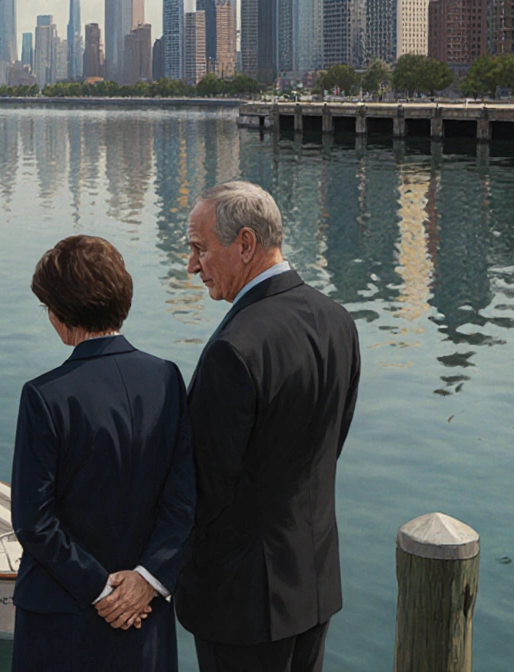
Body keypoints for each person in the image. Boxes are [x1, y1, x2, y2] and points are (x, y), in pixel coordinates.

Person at [174, 181, 361, 672]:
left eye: (199, 248)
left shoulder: (234, 349)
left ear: (245, 244)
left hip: (242, 606)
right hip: (313, 584)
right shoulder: (338, 321)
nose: (192, 265)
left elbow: (204, 485)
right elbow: (330, 443)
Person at [10, 235, 195, 672]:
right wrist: (147, 578)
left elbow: (34, 522)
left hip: (61, 617)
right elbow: (183, 499)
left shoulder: (45, 396)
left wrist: (101, 589)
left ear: (60, 312)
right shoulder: (166, 379)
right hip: (145, 614)